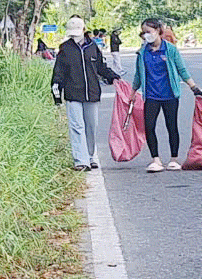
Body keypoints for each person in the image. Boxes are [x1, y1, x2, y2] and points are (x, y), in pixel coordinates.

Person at [49, 26, 117, 170]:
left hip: (92, 94)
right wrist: (57, 95)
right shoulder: (65, 49)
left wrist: (113, 77)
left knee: (91, 127)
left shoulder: (93, 47)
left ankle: (90, 156)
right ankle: (80, 160)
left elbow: (101, 67)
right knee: (77, 127)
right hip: (73, 94)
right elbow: (58, 72)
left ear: (84, 30)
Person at [131, 18, 194, 171]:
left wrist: (193, 87)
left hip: (170, 95)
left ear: (158, 30)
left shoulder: (170, 49)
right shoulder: (142, 52)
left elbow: (182, 70)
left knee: (171, 126)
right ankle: (156, 159)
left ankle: (173, 159)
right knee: (149, 126)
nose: (146, 35)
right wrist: (132, 92)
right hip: (151, 95)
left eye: (149, 32)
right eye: (144, 32)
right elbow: (138, 75)